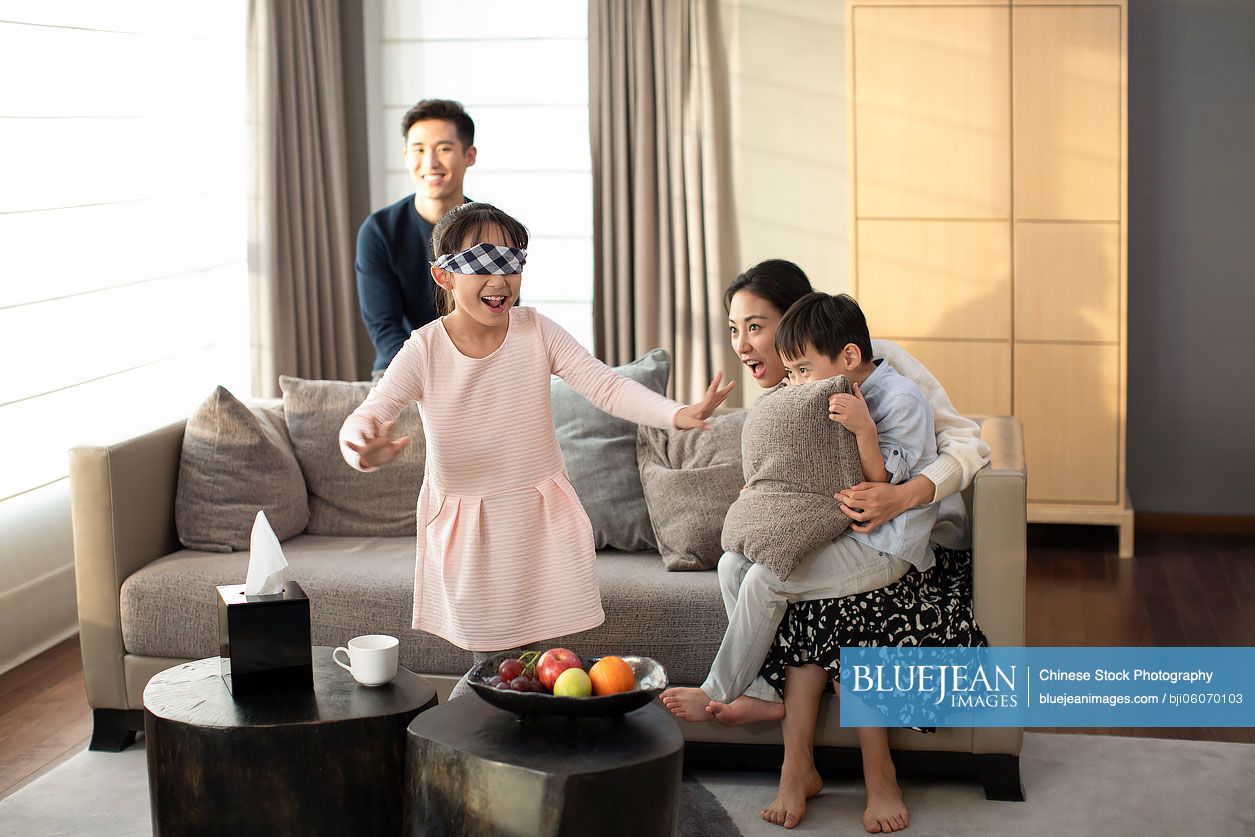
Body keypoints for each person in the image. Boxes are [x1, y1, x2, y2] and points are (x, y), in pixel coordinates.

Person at [338, 202, 735, 695]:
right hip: (469, 524)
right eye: (482, 264)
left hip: (536, 514)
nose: (500, 279)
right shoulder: (424, 348)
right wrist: (360, 447)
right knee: (490, 666)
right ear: (443, 277)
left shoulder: (536, 330)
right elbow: (368, 414)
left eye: (511, 263)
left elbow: (605, 386)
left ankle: (529, 753)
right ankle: (471, 751)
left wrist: (677, 414)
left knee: (532, 661)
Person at [683, 259, 989, 832]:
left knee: (796, 593)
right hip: (835, 537)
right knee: (739, 566)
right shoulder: (786, 398)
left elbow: (964, 445)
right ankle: (783, 736)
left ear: (798, 322)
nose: (745, 345)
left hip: (896, 542)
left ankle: (856, 770)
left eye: (757, 326)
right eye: (734, 329)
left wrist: (905, 494)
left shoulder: (882, 372)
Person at [355, 99, 477, 375]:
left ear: (469, 155)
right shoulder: (379, 231)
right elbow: (385, 328)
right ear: (406, 156)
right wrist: (432, 375)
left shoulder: (491, 229)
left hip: (476, 369)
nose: (430, 162)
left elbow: (499, 316)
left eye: (444, 148)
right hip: (401, 370)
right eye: (418, 150)